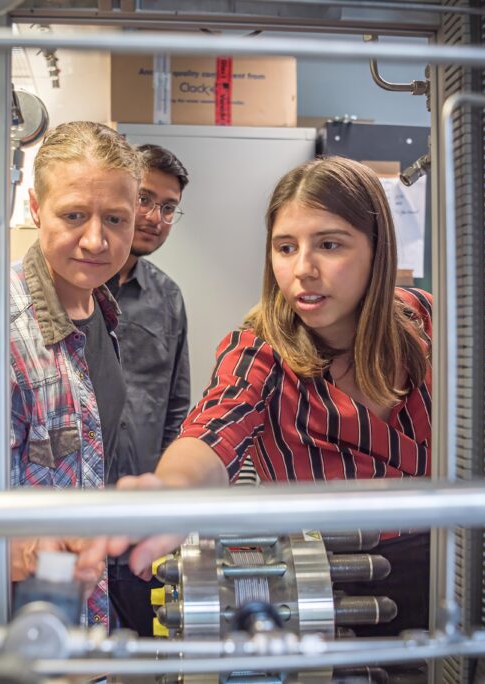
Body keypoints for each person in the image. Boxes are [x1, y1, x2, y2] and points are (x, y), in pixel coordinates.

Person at [78, 156, 433, 636]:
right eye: (286, 247)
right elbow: (210, 431)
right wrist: (171, 492)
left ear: (378, 248)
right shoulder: (260, 351)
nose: (303, 269)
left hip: (455, 579)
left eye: (329, 245)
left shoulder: (425, 320)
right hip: (330, 602)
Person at [9, 121, 144, 630]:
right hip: (22, 626)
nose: (96, 239)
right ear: (35, 207)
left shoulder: (103, 314)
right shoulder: (0, 330)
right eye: (73, 215)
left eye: (115, 218)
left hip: (87, 615)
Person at [103, 144, 191, 635]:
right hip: (76, 510)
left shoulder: (167, 296)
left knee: (139, 644)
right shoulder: (73, 288)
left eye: (169, 207)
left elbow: (178, 406)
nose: (155, 217)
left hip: (141, 511)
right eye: (145, 199)